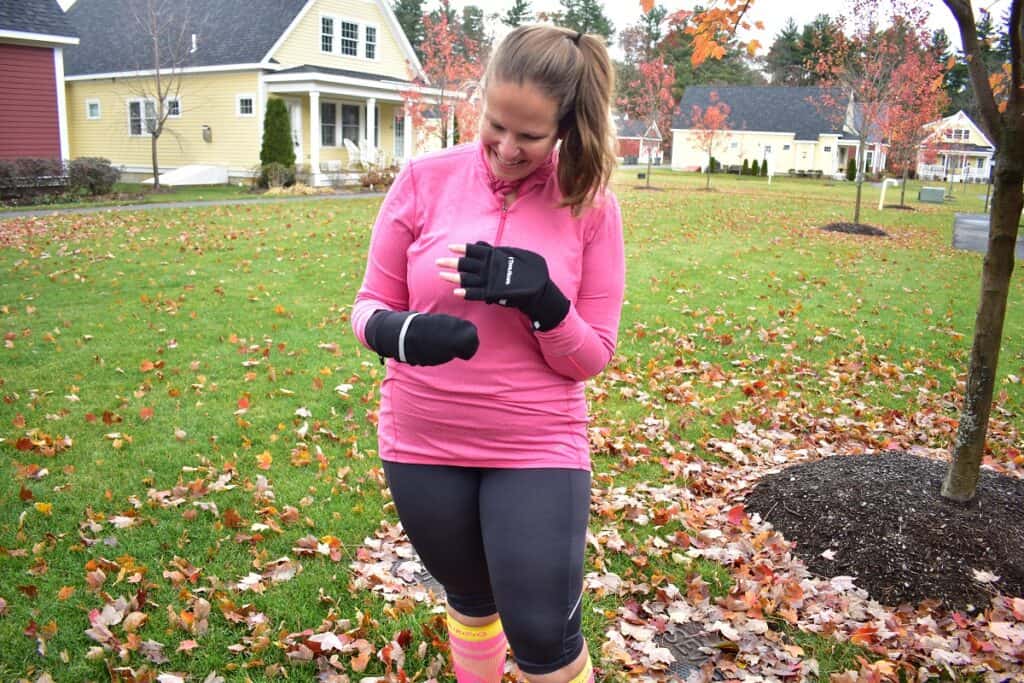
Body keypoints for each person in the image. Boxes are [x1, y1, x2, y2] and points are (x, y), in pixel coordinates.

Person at [351, 24, 625, 683]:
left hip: (535, 445)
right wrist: (408, 335)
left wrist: (545, 304)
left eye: (529, 137)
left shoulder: (589, 206)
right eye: (494, 125)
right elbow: (366, 307)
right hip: (422, 442)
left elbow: (591, 356)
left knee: (541, 634)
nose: (505, 149)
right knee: (471, 603)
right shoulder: (423, 180)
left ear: (564, 128)